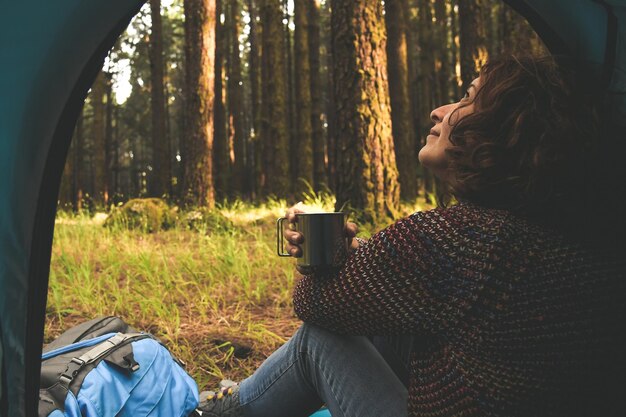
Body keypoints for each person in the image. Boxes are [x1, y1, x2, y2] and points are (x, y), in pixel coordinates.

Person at [197, 55, 626, 417]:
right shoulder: (586, 238)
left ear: (507, 129)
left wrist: (316, 253)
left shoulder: (456, 239)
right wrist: (357, 257)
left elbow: (315, 306)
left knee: (319, 339)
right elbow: (433, 290)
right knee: (387, 326)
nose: (439, 110)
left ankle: (227, 410)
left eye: (468, 98)